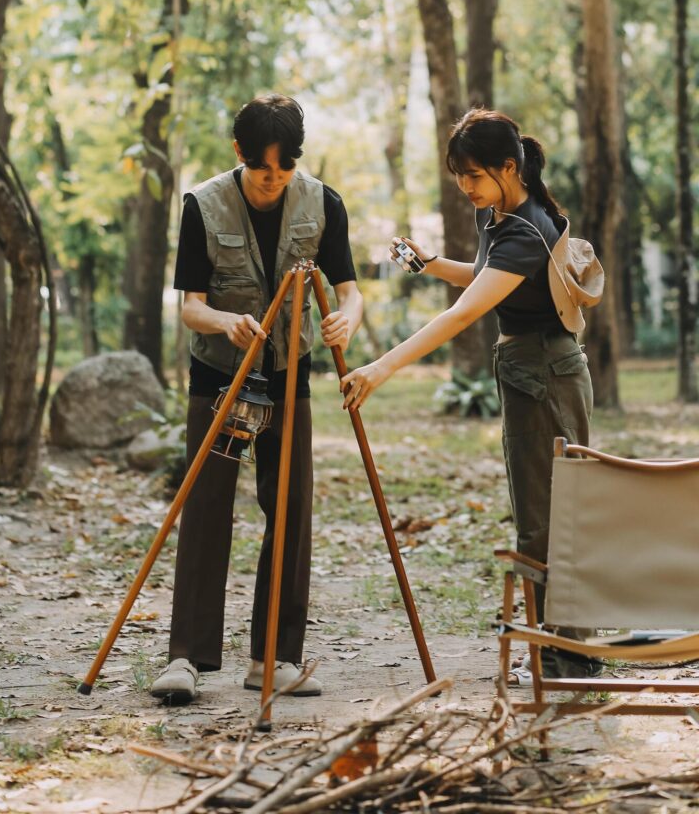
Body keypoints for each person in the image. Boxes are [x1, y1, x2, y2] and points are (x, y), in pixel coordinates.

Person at [340, 108, 599, 682]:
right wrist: (431, 264)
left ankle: (570, 650)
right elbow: (483, 278)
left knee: (551, 512)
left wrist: (381, 368)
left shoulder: (526, 228)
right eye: (459, 177)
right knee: (542, 508)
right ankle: (561, 643)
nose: (466, 188)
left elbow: (464, 315)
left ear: (509, 167)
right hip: (528, 367)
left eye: (474, 176)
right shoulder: (501, 215)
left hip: (545, 371)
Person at [151, 94, 363, 704]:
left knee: (291, 508)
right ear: (240, 153)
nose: (274, 179)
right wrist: (224, 322)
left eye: (286, 166)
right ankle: (186, 658)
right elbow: (190, 305)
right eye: (264, 166)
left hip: (290, 372)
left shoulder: (323, 203)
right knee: (207, 509)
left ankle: (276, 657)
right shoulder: (202, 204)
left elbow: (348, 290)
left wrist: (345, 318)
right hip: (220, 375)